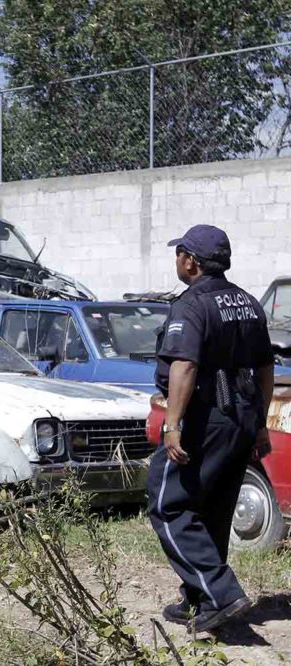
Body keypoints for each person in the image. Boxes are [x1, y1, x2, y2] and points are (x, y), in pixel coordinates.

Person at [147, 224, 275, 633]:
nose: (177, 260)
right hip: (242, 417)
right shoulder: (249, 303)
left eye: (180, 253)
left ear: (191, 261)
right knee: (213, 509)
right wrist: (259, 424)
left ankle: (221, 593)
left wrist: (172, 427)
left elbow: (184, 365)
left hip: (208, 417)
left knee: (167, 501)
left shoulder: (193, 305)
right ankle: (199, 601)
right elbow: (266, 369)